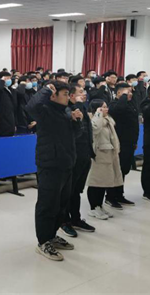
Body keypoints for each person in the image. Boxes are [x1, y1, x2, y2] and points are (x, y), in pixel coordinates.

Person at [26, 81, 81, 261]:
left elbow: (74, 135)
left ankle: (52, 235)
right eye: (64, 94)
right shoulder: (44, 111)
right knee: (47, 204)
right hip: (50, 165)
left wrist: (77, 121)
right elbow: (31, 106)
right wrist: (47, 89)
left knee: (61, 204)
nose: (68, 97)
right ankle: (43, 241)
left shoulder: (65, 111)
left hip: (66, 164)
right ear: (53, 96)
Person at [60, 84, 95, 238]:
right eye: (80, 92)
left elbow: (87, 131)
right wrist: (79, 106)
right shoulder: (67, 110)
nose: (84, 94)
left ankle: (75, 218)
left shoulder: (80, 109)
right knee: (68, 191)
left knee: (76, 191)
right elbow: (75, 132)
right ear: (71, 96)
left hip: (84, 154)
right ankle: (64, 221)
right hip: (73, 156)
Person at [86, 99, 123, 220]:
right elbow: (95, 129)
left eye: (106, 107)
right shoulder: (93, 119)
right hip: (98, 155)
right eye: (103, 107)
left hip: (108, 154)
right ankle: (93, 208)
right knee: (96, 182)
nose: (107, 109)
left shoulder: (108, 120)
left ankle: (99, 205)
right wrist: (98, 114)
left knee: (104, 183)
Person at [105, 83, 139, 208]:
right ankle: (110, 196)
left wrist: (134, 141)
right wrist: (123, 97)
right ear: (119, 93)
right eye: (126, 92)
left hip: (129, 142)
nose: (129, 94)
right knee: (116, 170)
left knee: (124, 169)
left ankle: (119, 194)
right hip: (119, 143)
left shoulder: (130, 104)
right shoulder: (114, 104)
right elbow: (118, 110)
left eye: (130, 92)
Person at [0, 71, 17, 137]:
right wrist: (2, 81)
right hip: (1, 120)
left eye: (9, 78)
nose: (9, 80)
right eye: (6, 78)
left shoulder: (11, 90)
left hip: (11, 119)